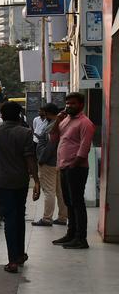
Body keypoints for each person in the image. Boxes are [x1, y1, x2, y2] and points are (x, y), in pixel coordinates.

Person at [0, 102, 40, 272]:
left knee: (10, 218)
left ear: (2, 116)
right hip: (21, 180)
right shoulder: (25, 132)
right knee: (19, 216)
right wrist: (37, 181)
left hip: (2, 181)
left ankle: (12, 260)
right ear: (20, 116)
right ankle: (19, 254)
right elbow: (30, 157)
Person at [49, 92, 96, 249]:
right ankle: (71, 234)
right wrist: (57, 121)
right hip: (64, 167)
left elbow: (84, 147)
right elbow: (53, 138)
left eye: (73, 103)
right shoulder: (65, 120)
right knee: (69, 202)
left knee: (77, 203)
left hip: (76, 168)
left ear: (81, 105)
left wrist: (73, 164)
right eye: (67, 103)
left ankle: (81, 238)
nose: (69, 106)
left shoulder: (85, 123)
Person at [31, 103, 68, 227]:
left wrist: (42, 159)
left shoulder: (53, 125)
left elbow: (50, 145)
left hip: (49, 162)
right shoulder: (60, 124)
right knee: (60, 191)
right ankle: (63, 217)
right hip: (58, 162)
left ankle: (47, 218)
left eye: (43, 112)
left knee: (49, 191)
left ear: (47, 113)